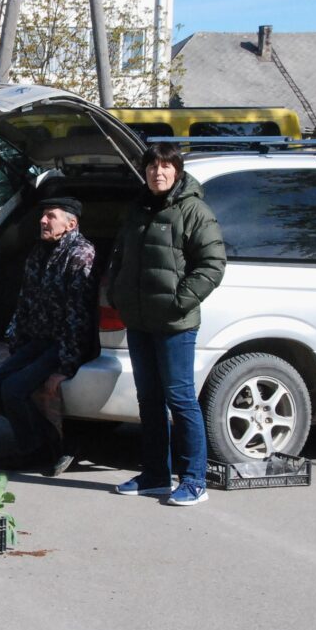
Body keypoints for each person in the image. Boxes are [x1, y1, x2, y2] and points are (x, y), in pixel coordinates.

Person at [107, 143, 226, 506]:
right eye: (152, 167)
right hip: (140, 320)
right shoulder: (139, 208)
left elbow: (213, 264)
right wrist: (118, 294)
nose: (158, 173)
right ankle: (156, 475)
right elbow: (120, 256)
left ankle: (194, 480)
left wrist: (179, 302)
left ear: (177, 170)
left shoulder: (193, 210)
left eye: (165, 167)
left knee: (180, 399)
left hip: (175, 324)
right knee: (150, 400)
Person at [0, 197, 98, 477]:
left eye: (51, 216)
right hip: (37, 341)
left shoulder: (81, 254)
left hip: (63, 345)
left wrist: (66, 366)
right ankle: (49, 442)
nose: (43, 221)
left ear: (71, 224)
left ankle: (33, 450)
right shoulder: (39, 252)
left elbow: (78, 315)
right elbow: (25, 303)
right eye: (43, 215)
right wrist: (14, 343)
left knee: (13, 389)